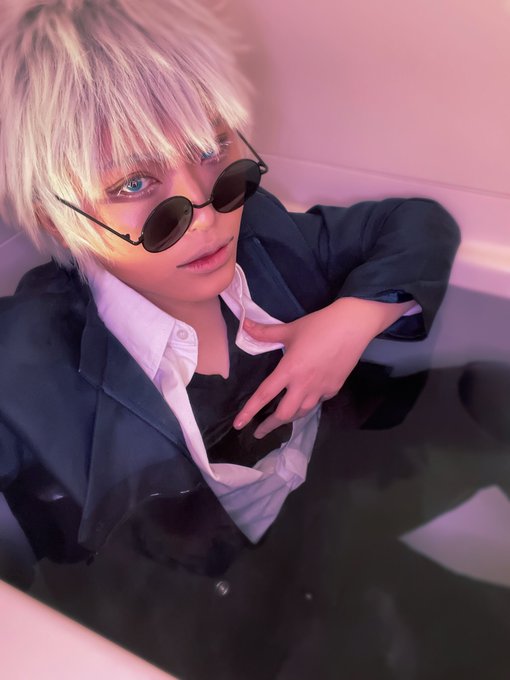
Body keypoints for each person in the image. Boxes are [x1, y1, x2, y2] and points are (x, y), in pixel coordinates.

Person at [3, 1, 509, 679]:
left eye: (212, 152)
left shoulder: (268, 234)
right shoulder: (28, 356)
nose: (208, 214)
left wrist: (353, 318)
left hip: (325, 505)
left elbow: (418, 224)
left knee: (494, 394)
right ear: (56, 218)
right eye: (136, 182)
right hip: (201, 611)